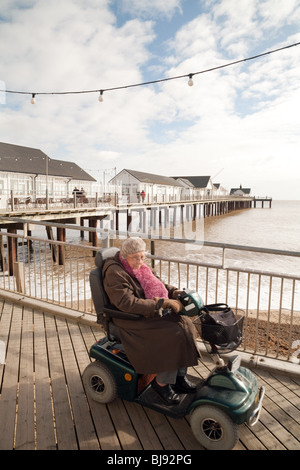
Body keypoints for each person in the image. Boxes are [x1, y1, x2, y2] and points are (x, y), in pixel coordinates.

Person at [102, 237, 200, 404]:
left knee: (185, 324)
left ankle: (179, 377)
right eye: (135, 257)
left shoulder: (141, 268)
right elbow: (127, 303)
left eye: (142, 257)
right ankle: (161, 383)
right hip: (129, 318)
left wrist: (174, 292)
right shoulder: (115, 273)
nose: (140, 261)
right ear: (125, 257)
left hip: (144, 312)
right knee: (174, 333)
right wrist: (161, 304)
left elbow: (158, 284)